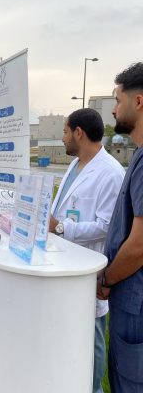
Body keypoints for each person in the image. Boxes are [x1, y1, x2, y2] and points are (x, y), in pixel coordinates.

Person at [49, 108, 125, 393]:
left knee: (91, 339)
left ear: (78, 133)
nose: (63, 138)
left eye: (65, 131)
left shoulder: (111, 173)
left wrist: (60, 228)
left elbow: (107, 226)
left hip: (89, 270)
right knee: (70, 338)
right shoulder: (76, 164)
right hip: (64, 262)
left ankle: (93, 389)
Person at [96, 63, 143, 392]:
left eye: (117, 100)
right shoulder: (138, 156)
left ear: (138, 102)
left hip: (135, 307)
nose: (113, 110)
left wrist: (108, 279)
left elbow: (139, 245)